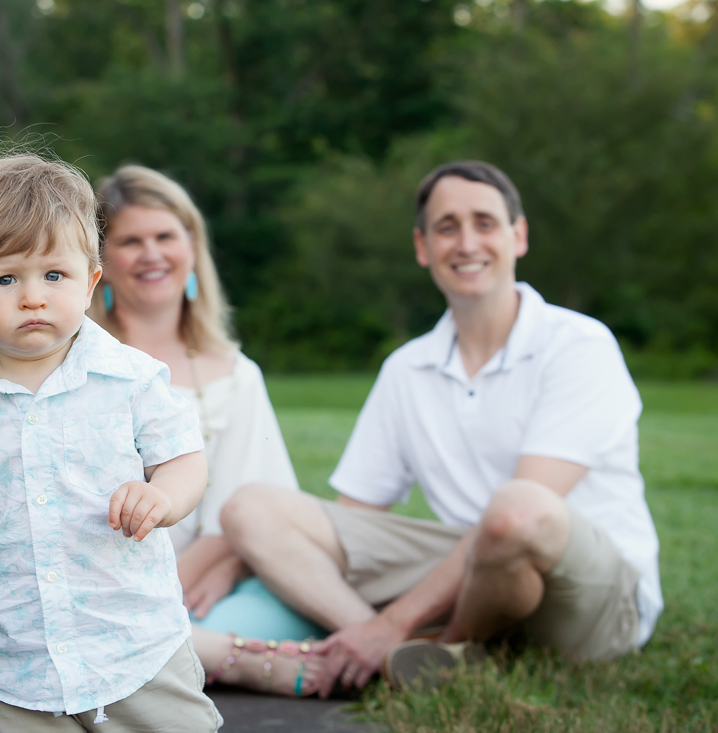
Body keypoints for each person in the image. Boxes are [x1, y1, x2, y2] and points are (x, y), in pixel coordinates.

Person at [221, 161, 663, 697]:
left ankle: (438, 648)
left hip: (592, 596)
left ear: (517, 236)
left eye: (484, 222)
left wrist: (395, 618)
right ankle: (386, 648)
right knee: (251, 508)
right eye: (447, 227)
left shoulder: (578, 345)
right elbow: (353, 523)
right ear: (422, 247)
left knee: (515, 510)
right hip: (482, 575)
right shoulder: (408, 368)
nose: (466, 242)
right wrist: (246, 558)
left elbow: (523, 518)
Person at [0, 149, 223, 731]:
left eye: (54, 276)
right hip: (15, 659)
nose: (32, 296)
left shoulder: (131, 379)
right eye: (5, 279)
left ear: (90, 282)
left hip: (133, 646)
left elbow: (185, 461)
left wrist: (164, 497)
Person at [94, 164, 326, 696]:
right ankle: (223, 656)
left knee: (286, 610)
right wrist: (149, 596)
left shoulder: (238, 374)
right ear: (101, 263)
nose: (151, 254)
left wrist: (214, 570)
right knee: (17, 618)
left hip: (205, 582)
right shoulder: (76, 365)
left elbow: (256, 502)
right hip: (95, 577)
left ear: (192, 247)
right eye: (131, 241)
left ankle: (168, 646)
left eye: (165, 236)